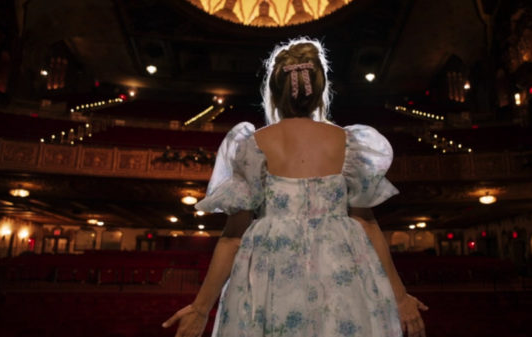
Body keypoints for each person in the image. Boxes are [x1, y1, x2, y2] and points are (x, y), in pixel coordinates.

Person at [162, 37, 429, 337]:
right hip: (340, 277)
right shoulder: (349, 144)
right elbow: (367, 225)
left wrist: (200, 309)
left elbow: (232, 239)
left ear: (274, 95)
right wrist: (401, 297)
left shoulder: (252, 146)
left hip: (271, 280)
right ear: (319, 94)